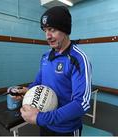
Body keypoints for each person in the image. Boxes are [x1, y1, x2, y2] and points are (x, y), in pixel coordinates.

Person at [15, 6, 92, 136]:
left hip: (67, 129)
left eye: (52, 30)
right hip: (45, 125)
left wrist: (40, 118)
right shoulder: (46, 57)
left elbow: (82, 104)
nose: (47, 36)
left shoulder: (78, 59)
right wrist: (26, 91)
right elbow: (38, 83)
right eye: (45, 30)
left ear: (65, 30)